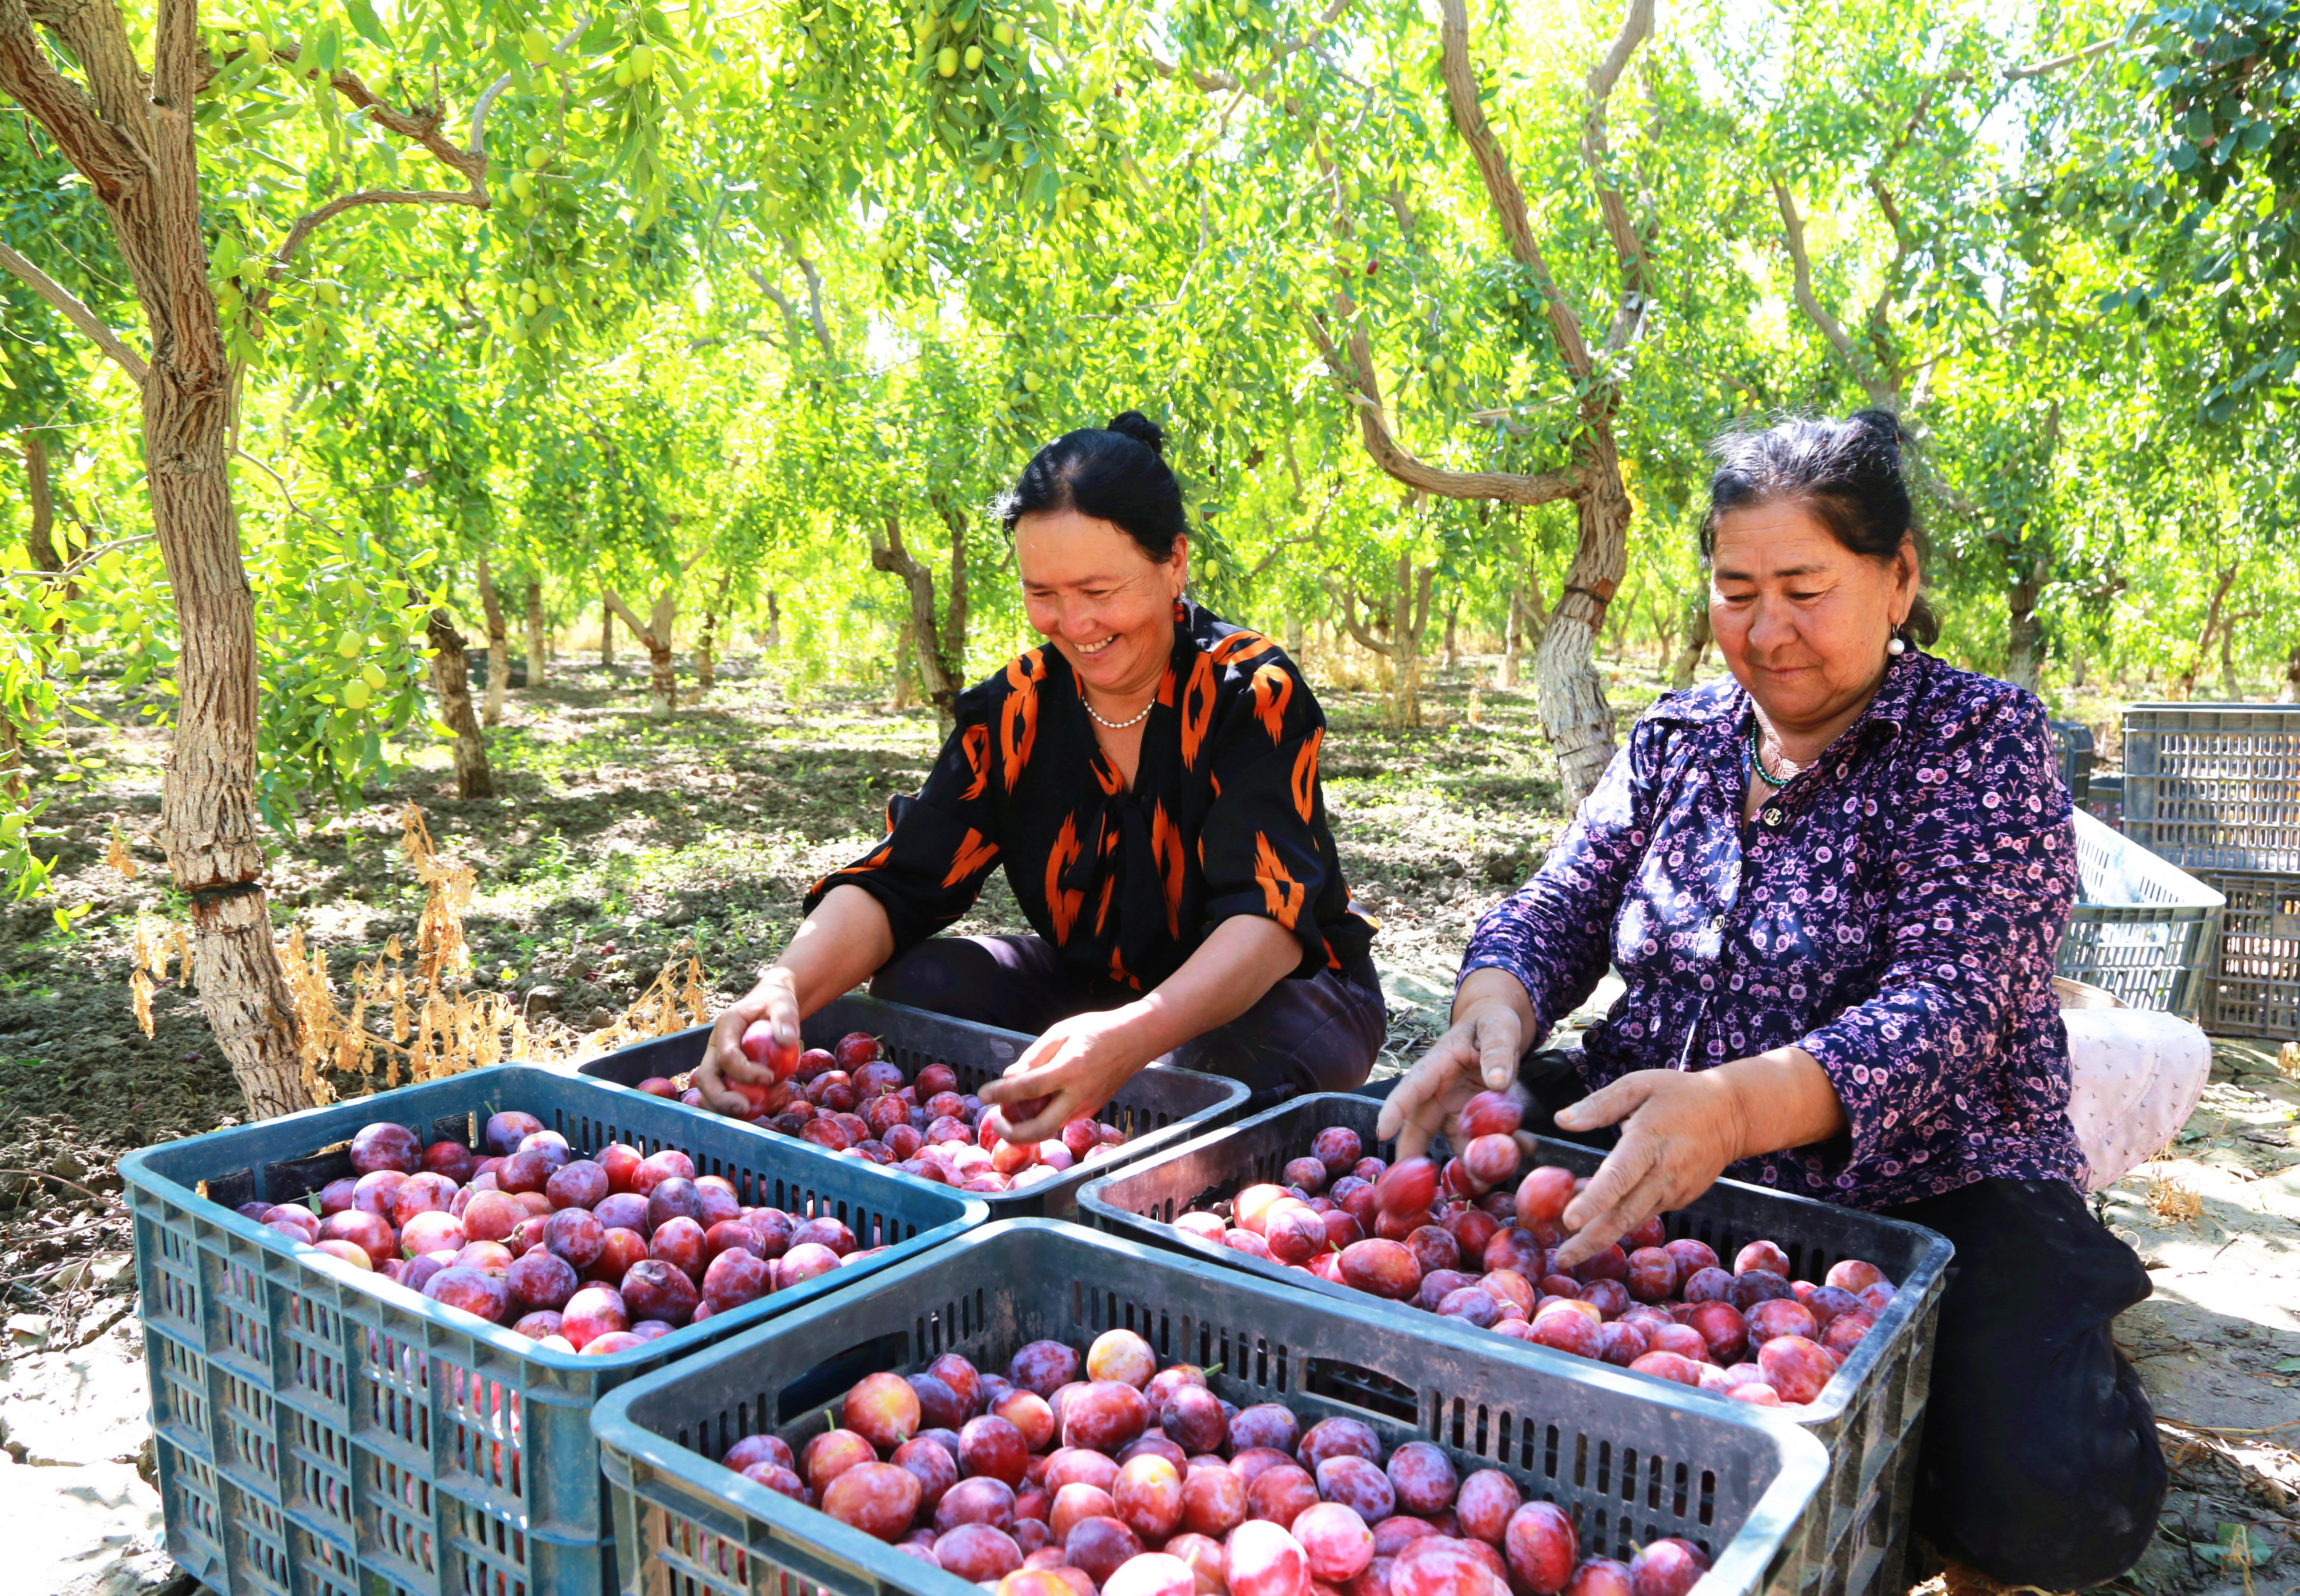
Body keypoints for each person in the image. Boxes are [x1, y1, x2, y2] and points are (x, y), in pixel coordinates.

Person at [1378, 410, 2166, 1589]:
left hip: (1922, 1180)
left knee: (2050, 1493)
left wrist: (1739, 1109)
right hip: (1648, 1134)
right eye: (1735, 591)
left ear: (1898, 579)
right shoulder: (1680, 739)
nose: (1764, 630)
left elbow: (1953, 1000)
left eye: (1804, 590)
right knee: (1408, 1177)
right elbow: (1563, 901)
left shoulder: (1978, 741)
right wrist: (1495, 999)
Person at [696, 411, 1384, 1143]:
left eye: (1098, 591)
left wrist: (1131, 1036)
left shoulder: (1246, 692)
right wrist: (782, 987)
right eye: (1043, 594)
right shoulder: (1013, 711)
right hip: (1099, 989)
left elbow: (1268, 922)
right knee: (919, 984)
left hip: (1282, 993)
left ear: (1174, 563)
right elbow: (901, 881)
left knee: (1215, 1083)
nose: (1073, 624)